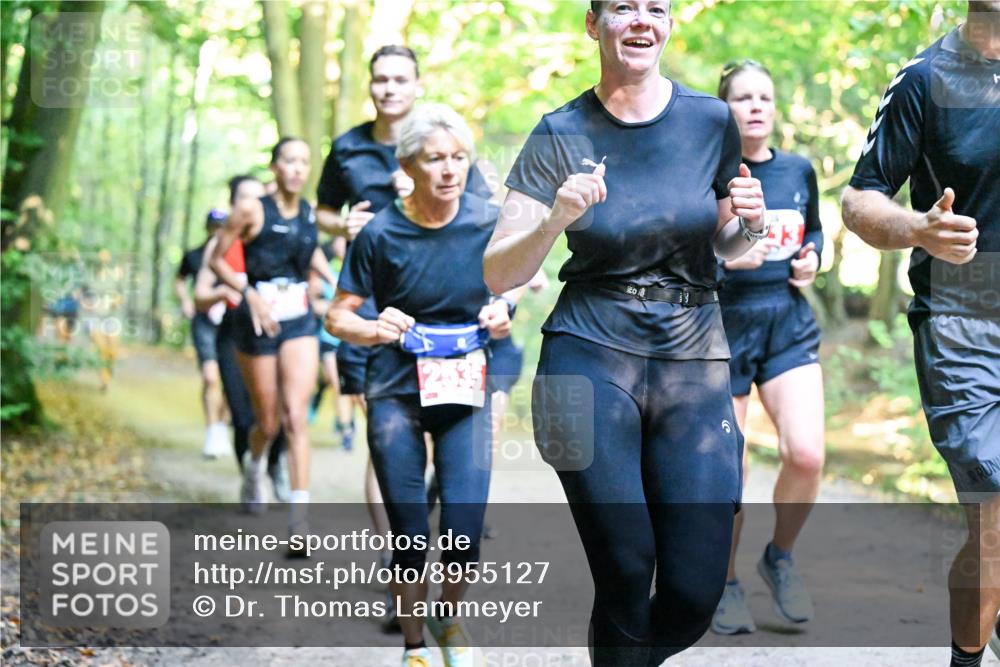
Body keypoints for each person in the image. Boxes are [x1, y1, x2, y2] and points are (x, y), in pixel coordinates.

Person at [483, 1, 768, 663]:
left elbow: (725, 243)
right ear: (593, 24)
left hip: (693, 356)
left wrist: (750, 224)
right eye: (622, 8)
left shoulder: (709, 120)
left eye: (656, 8)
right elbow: (498, 270)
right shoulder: (559, 131)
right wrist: (555, 217)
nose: (641, 20)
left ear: (668, 25)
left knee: (697, 590)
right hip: (587, 356)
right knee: (627, 567)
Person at [327, 103, 513, 667]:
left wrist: (502, 307)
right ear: (409, 163)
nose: (450, 170)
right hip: (396, 392)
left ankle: (447, 617)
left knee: (464, 528)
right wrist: (374, 327)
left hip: (464, 390)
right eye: (435, 159)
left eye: (459, 158)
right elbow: (338, 316)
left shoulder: (487, 219)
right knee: (409, 534)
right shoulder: (382, 232)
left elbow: (512, 282)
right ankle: (414, 650)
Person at [842, 4, 999, 665]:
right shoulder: (925, 78)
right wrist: (916, 228)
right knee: (994, 504)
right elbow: (860, 199)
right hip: (964, 321)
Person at [710, 60, 826, 635]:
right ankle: (725, 582)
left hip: (786, 325)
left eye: (765, 97)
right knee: (729, 470)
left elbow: (816, 232)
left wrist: (812, 260)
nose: (755, 106)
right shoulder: (709, 174)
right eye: (742, 97)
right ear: (723, 108)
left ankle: (779, 556)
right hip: (723, 330)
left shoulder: (799, 171)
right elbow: (685, 249)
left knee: (805, 455)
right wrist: (724, 258)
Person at [211, 138, 335, 545]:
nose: (297, 168)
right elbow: (217, 258)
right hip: (258, 320)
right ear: (275, 166)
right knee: (268, 421)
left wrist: (337, 282)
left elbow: (311, 251)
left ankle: (299, 523)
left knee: (296, 416)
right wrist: (248, 293)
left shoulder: (308, 212)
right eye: (289, 161)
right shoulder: (251, 209)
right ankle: (255, 465)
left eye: (304, 161)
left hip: (298, 316)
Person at [193, 175, 290, 500]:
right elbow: (200, 297)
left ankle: (274, 464)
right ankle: (251, 479)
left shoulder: (275, 238)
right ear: (235, 204)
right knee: (242, 411)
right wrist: (226, 291)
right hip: (233, 334)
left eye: (258, 197)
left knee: (278, 408)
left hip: (273, 333)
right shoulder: (219, 245)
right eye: (244, 198)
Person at [176, 210, 231, 459]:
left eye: (222, 226)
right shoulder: (194, 255)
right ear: (207, 227)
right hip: (203, 321)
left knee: (230, 381)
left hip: (229, 322)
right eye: (213, 226)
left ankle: (221, 427)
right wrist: (186, 300)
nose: (217, 230)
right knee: (210, 377)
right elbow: (179, 280)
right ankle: (211, 431)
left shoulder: (234, 255)